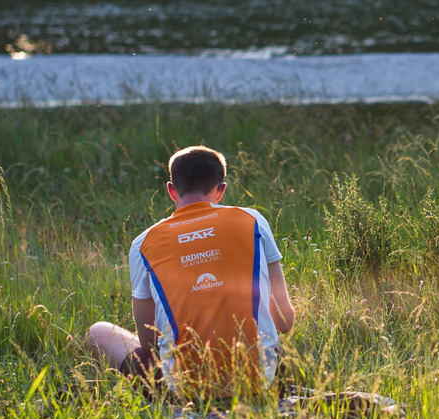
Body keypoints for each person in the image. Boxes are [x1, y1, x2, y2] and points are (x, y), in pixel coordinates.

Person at [85, 145, 295, 400]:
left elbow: (149, 341)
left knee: (98, 332)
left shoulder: (144, 243)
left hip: (185, 393)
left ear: (171, 190)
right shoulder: (253, 221)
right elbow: (284, 321)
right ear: (221, 190)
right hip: (261, 382)